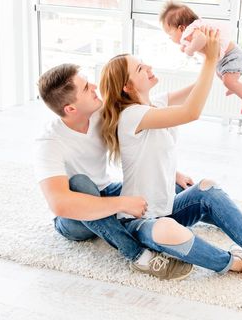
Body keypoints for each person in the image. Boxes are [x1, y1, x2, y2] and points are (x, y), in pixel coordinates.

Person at [100, 28, 242, 306]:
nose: (148, 67)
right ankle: (237, 264)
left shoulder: (155, 102)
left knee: (206, 188)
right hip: (141, 222)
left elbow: (199, 87)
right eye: (140, 68)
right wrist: (210, 58)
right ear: (127, 87)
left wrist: (214, 56)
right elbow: (191, 112)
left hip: (168, 208)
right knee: (168, 231)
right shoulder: (131, 116)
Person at [35, 63, 194, 281]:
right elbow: (60, 204)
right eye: (85, 88)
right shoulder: (49, 142)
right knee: (80, 183)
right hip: (73, 221)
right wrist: (122, 204)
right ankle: (139, 256)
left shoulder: (100, 112)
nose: (93, 86)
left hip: (106, 191)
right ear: (70, 109)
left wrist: (172, 173)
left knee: (170, 187)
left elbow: (154, 111)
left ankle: (126, 224)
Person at [159, 0, 242, 114]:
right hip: (223, 59)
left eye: (170, 34)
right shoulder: (189, 34)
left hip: (232, 56)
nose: (170, 38)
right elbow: (192, 44)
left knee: (227, 81)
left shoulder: (193, 30)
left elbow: (201, 39)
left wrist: (190, 50)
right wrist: (186, 47)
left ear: (181, 28)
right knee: (221, 76)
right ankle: (234, 86)